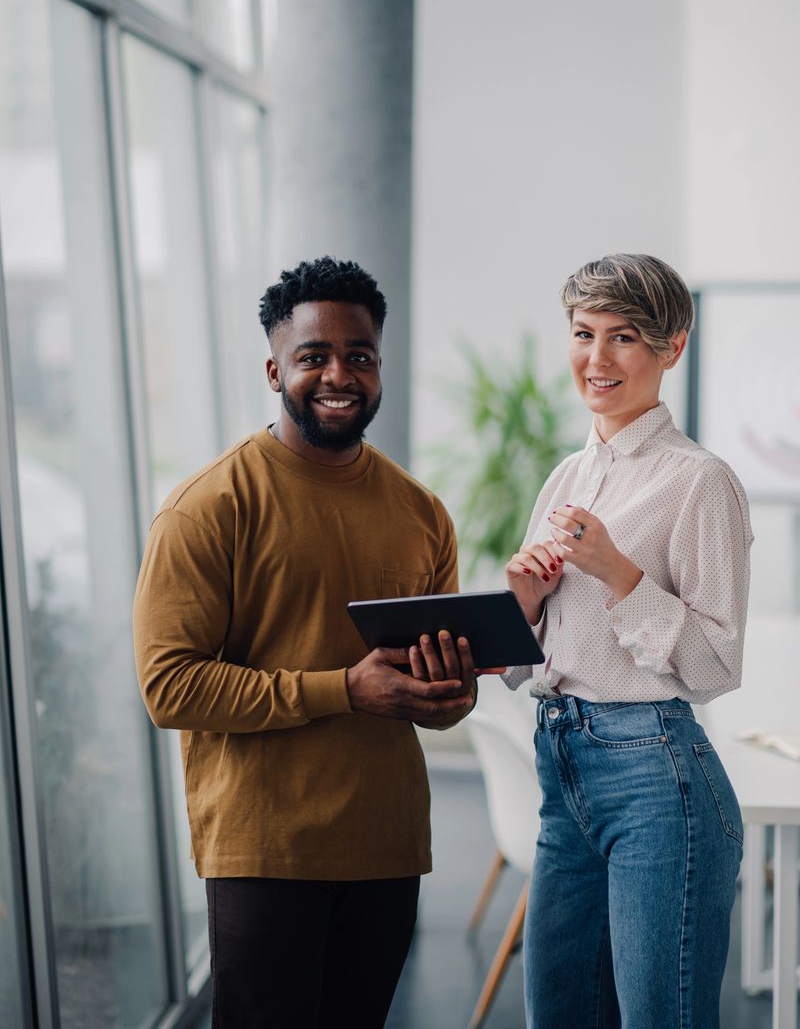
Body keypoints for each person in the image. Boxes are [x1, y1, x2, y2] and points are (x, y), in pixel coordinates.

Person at [133, 256, 480, 1029]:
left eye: (359, 356)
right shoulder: (206, 507)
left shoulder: (421, 511)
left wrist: (447, 693)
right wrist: (345, 688)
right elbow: (170, 687)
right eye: (313, 356)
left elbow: (444, 703)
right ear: (273, 369)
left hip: (387, 844)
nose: (339, 374)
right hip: (265, 849)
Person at [503, 253, 752, 1029]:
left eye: (624, 338)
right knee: (560, 1015)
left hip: (659, 781)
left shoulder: (699, 481)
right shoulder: (564, 479)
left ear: (672, 346)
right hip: (561, 768)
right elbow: (528, 662)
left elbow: (715, 665)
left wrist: (618, 573)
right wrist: (524, 604)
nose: (597, 359)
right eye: (584, 334)